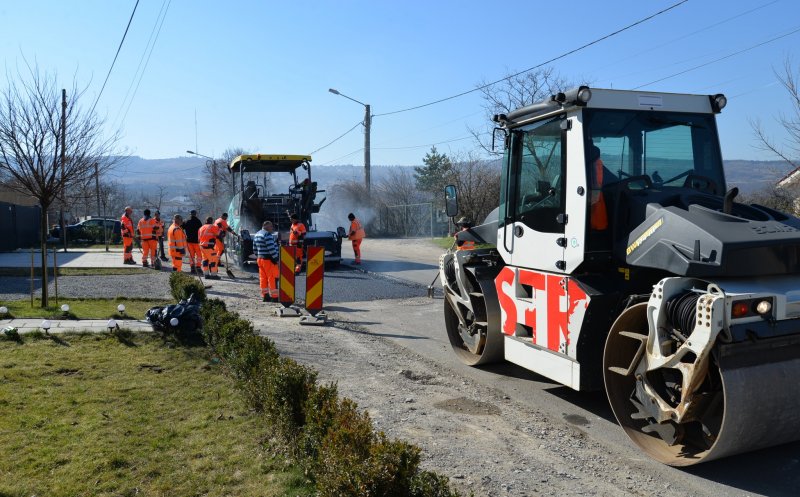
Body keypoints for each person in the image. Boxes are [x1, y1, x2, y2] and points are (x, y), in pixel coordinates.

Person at [252, 220, 280, 302]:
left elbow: (254, 249)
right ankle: (274, 297)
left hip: (260, 259)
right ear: (266, 226)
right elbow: (271, 249)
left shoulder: (257, 234)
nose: (272, 228)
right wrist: (276, 259)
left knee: (263, 278)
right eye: (271, 226)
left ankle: (265, 296)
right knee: (273, 278)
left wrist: (259, 256)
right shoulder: (267, 235)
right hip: (269, 260)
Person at [588, 144, 608, 231]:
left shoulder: (594, 165)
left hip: (595, 198)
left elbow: (596, 184)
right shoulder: (598, 164)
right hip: (597, 198)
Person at [182, 209, 203, 274]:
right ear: (195, 214)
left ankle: (192, 268)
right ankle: (198, 267)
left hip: (189, 241)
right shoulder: (198, 221)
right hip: (196, 241)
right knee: (199, 255)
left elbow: (182, 228)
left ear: (190, 214)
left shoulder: (187, 221)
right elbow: (201, 231)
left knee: (191, 255)